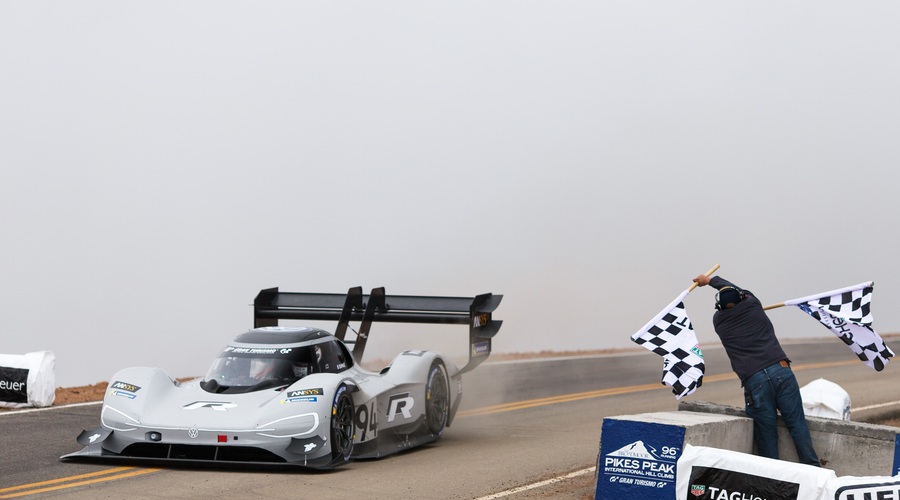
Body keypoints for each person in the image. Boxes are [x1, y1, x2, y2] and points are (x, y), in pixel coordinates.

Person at [693, 274, 821, 467]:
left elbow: (736, 297)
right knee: (797, 424)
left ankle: (771, 479)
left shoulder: (719, 322)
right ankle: (813, 470)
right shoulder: (753, 305)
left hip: (755, 381)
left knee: (766, 435)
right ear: (742, 299)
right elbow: (740, 290)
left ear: (719, 307)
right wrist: (710, 280)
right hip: (781, 370)